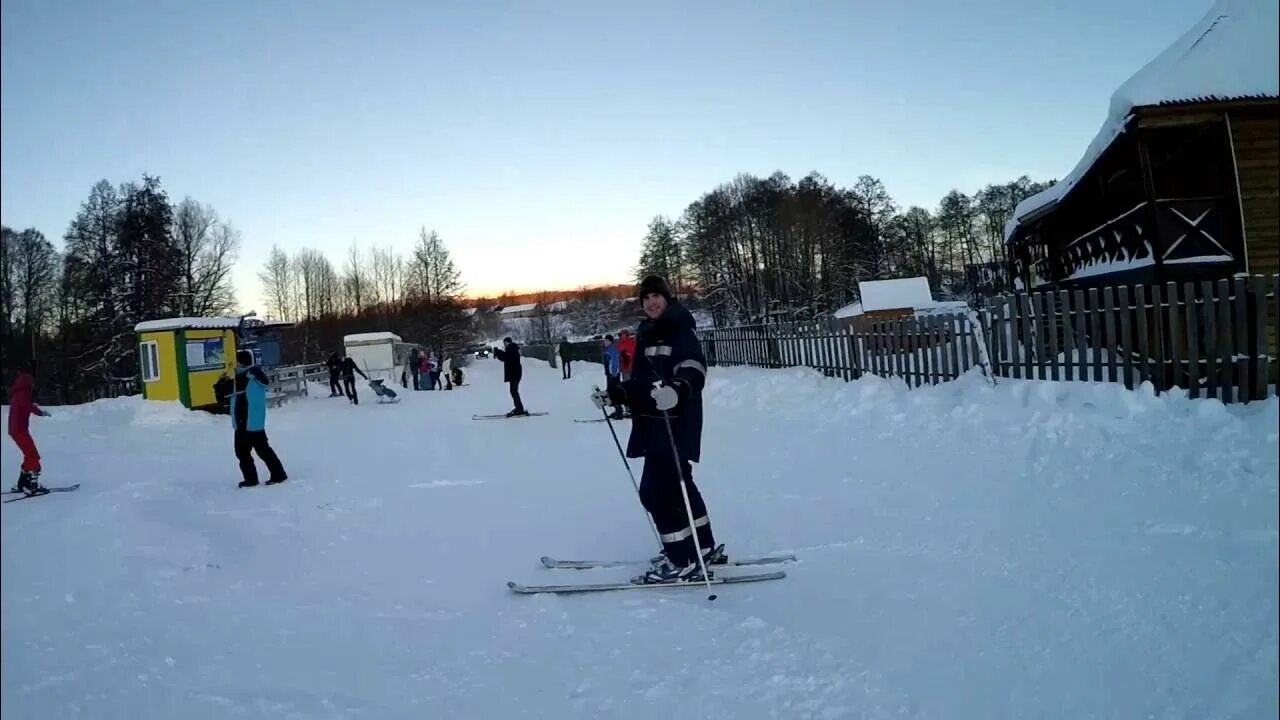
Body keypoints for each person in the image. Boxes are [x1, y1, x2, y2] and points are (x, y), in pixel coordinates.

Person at [591, 275, 720, 583]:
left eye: (656, 296)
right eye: (645, 298)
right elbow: (640, 381)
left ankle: (680, 560)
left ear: (667, 298)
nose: (651, 302)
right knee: (680, 485)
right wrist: (616, 394)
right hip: (654, 422)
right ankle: (702, 546)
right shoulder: (648, 331)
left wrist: (678, 389)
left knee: (655, 492)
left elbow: (694, 367)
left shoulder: (679, 327)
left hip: (674, 422)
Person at [229, 350, 287, 488]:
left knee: (243, 452)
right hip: (254, 421)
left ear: (241, 362)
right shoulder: (254, 376)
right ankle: (278, 474)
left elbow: (233, 394)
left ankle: (252, 479)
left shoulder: (245, 378)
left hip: (245, 421)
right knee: (263, 450)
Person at [7, 372, 51, 495]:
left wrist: (32, 406)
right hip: (19, 431)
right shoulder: (22, 394)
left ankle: (22, 484)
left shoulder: (17, 394)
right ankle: (32, 486)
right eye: (31, 383)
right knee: (33, 456)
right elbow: (28, 406)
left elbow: (25, 406)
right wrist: (40, 412)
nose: (32, 386)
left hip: (17, 430)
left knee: (29, 455)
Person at [492, 337, 527, 416]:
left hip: (514, 373)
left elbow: (507, 358)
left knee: (513, 391)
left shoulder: (512, 348)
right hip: (515, 373)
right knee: (513, 391)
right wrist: (498, 353)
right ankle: (519, 408)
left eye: (505, 343)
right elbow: (506, 358)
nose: (504, 344)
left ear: (508, 342)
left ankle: (519, 408)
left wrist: (498, 352)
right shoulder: (512, 348)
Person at [601, 335, 624, 420]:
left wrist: (614, 373)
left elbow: (615, 362)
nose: (605, 342)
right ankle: (617, 410)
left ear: (611, 342)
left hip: (613, 375)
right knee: (612, 392)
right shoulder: (608, 350)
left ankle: (619, 413)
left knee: (614, 392)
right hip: (610, 374)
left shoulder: (612, 349)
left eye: (607, 341)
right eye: (604, 341)